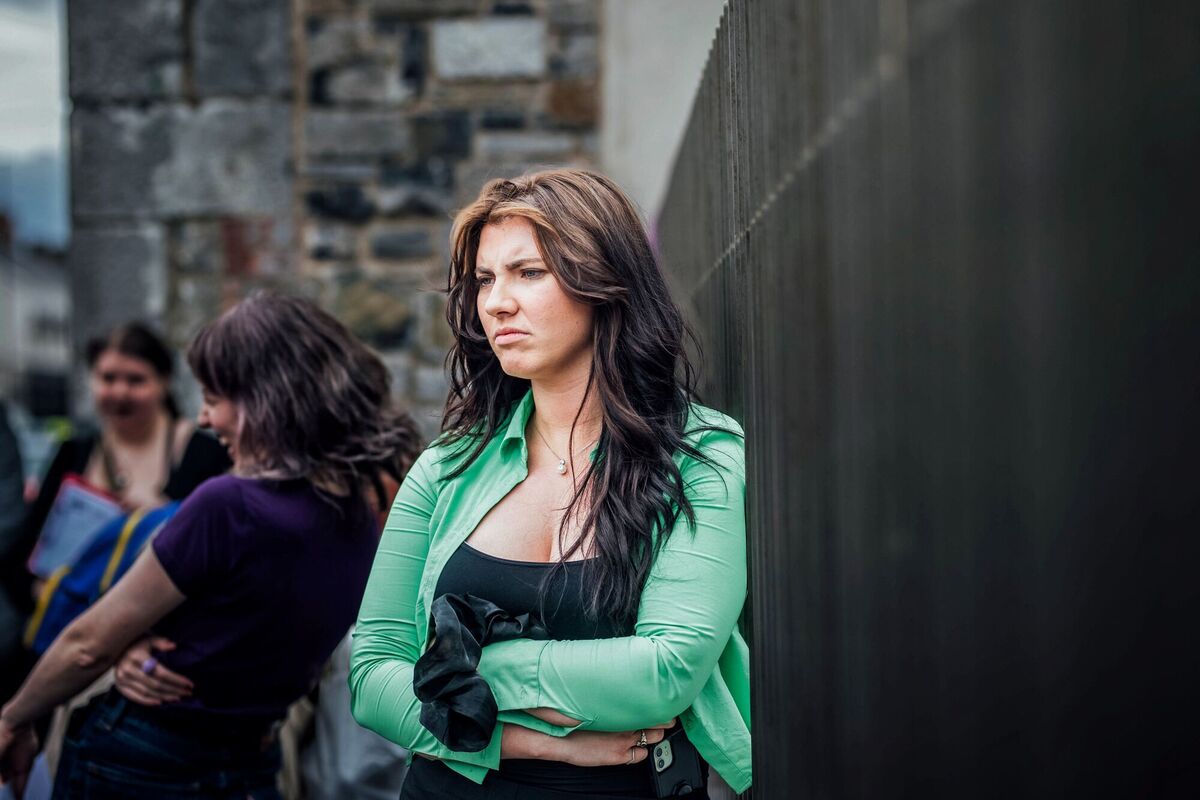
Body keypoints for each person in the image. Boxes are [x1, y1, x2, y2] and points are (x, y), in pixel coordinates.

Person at [349, 169, 751, 799]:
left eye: (528, 273)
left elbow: (665, 673)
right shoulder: (446, 467)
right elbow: (373, 676)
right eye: (485, 279)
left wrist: (474, 671)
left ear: (604, 284)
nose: (496, 303)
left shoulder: (700, 454)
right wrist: (526, 740)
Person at [0, 292, 421, 799]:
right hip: (253, 764)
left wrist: (14, 719)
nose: (203, 418)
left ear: (263, 401)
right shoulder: (363, 508)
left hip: (143, 758)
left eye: (214, 398)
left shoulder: (230, 504)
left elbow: (88, 644)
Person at [0, 323, 229, 703]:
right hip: (62, 638)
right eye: (108, 379)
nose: (120, 392)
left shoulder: (203, 454)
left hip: (152, 653)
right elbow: (20, 557)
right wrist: (49, 593)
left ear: (164, 382)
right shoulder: (74, 451)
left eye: (135, 380)